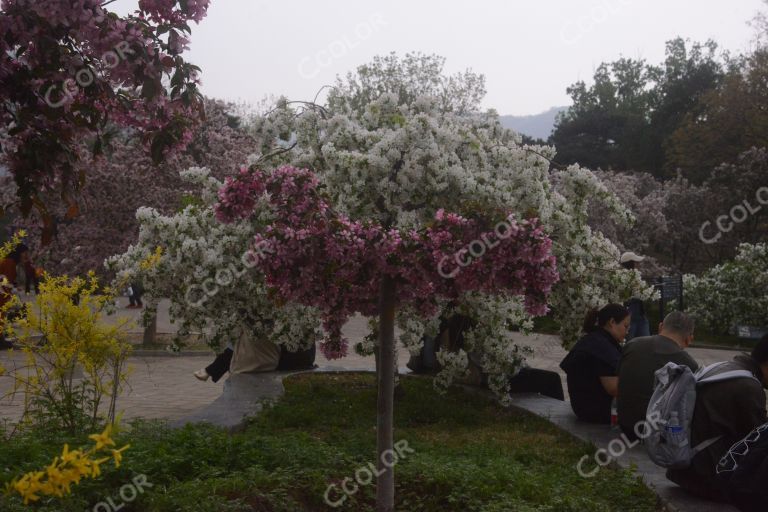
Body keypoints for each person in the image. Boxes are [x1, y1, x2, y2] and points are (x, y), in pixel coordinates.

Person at [666, 335, 768, 503]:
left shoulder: (723, 369)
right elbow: (759, 444)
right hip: (709, 481)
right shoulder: (748, 387)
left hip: (683, 472)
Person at [617, 311, 699, 440]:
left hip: (625, 425)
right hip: (656, 434)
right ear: (689, 339)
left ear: (661, 326)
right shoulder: (689, 365)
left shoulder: (632, 345)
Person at [560, 304, 630, 424]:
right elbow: (614, 388)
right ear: (612, 322)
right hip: (597, 412)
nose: (627, 332)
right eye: (625, 326)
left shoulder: (594, 339)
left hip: (584, 408)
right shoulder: (602, 346)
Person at [0, 244, 28, 350]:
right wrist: (13, 290)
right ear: (19, 253)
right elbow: (4, 280)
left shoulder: (9, 262)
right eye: (25, 253)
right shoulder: (9, 263)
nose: (26, 256)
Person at [620, 251, 650, 340]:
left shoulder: (637, 277)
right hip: (628, 320)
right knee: (629, 346)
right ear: (631, 264)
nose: (638, 265)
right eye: (636, 262)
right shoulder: (621, 279)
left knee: (646, 344)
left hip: (641, 317)